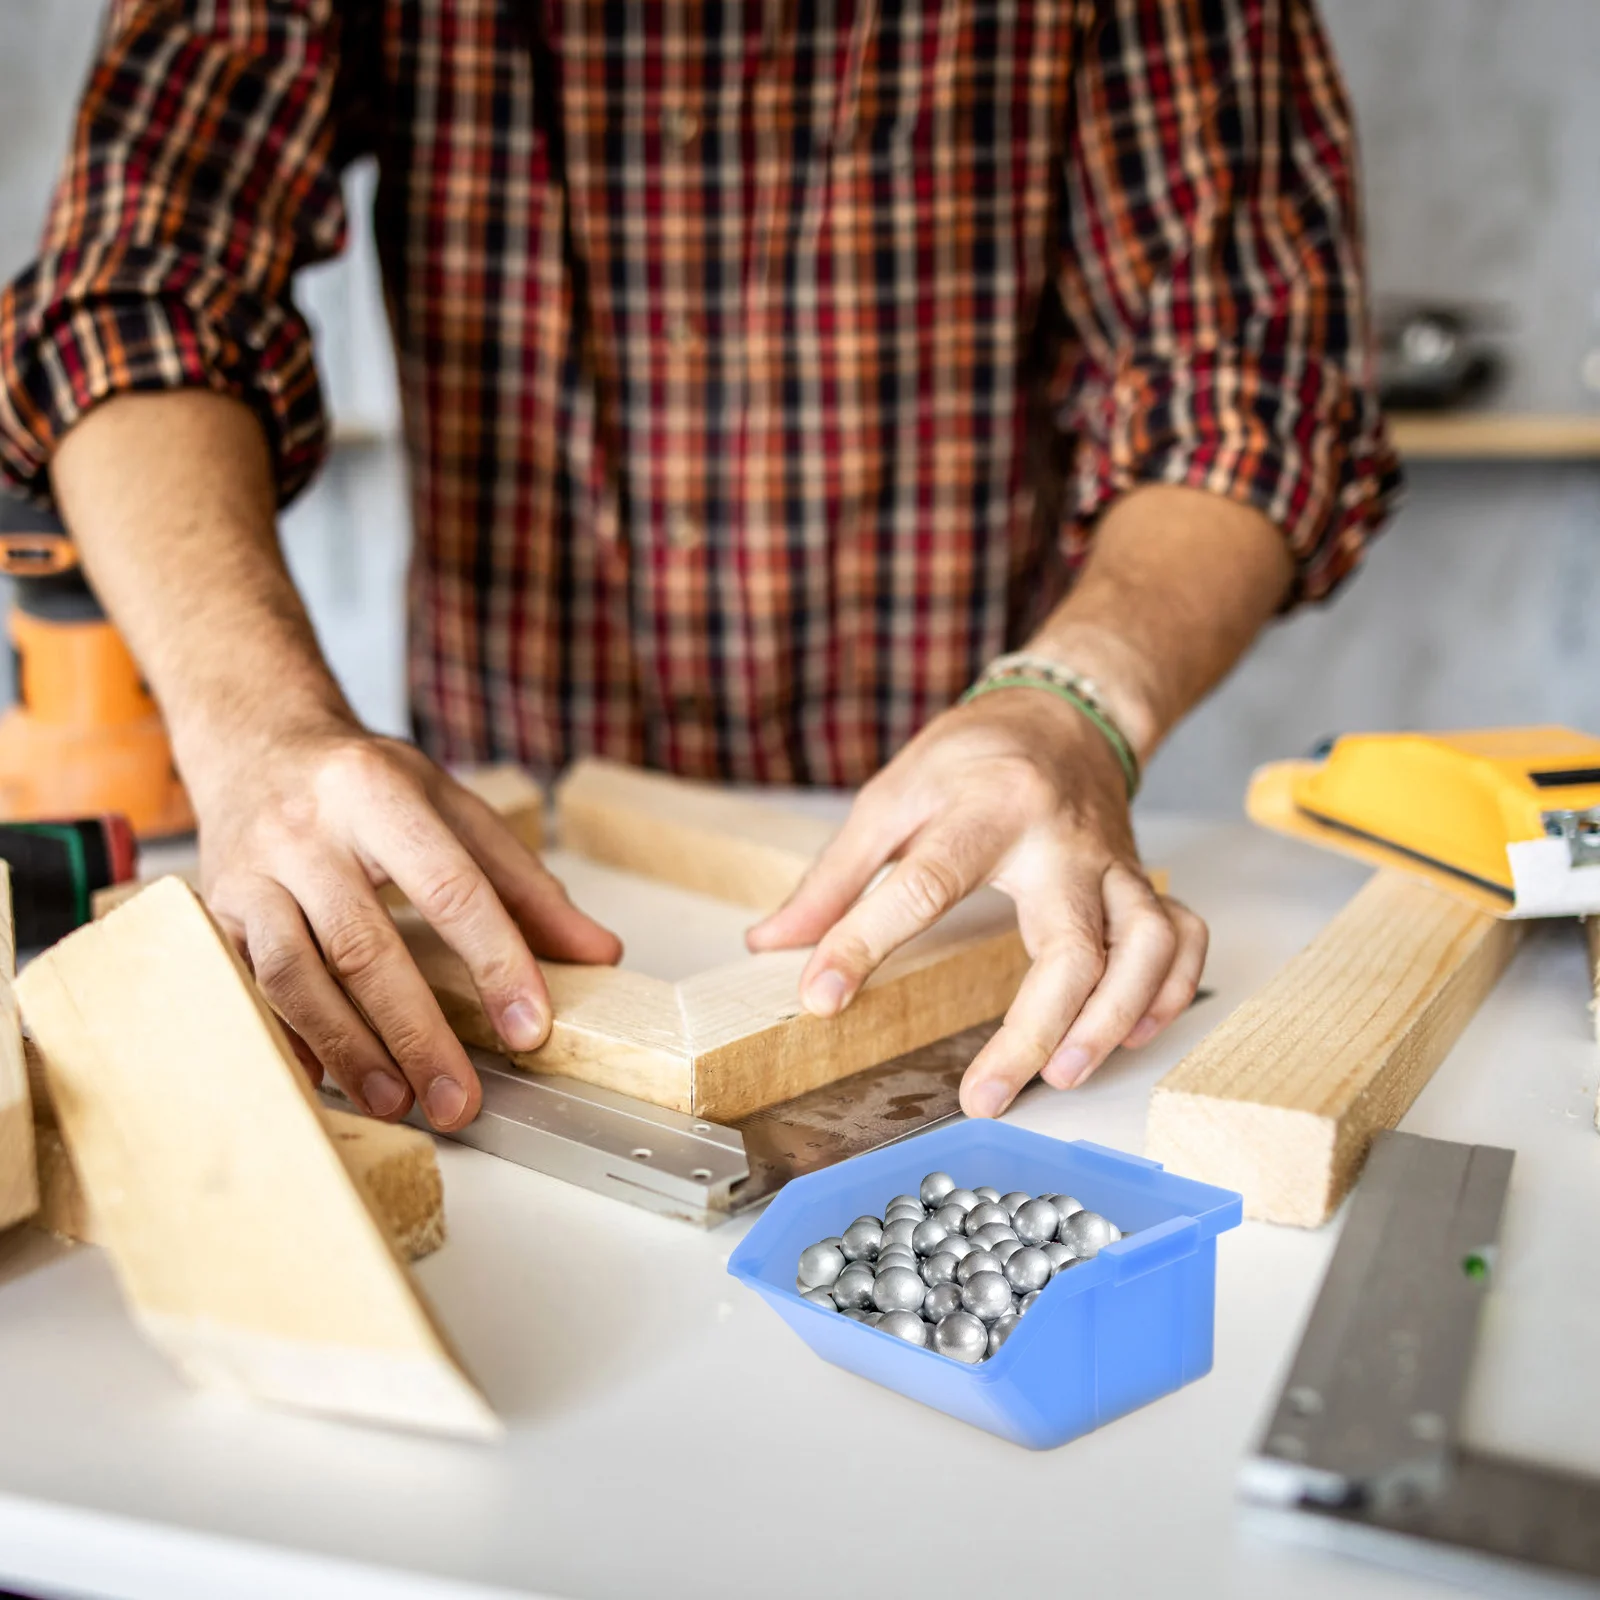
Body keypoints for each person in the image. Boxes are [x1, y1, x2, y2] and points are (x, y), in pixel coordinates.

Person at [0, 1, 1398, 1133]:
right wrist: (257, 730)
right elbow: (136, 286)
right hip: (515, 839)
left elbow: (1249, 383)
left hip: (954, 862)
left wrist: (1075, 702)